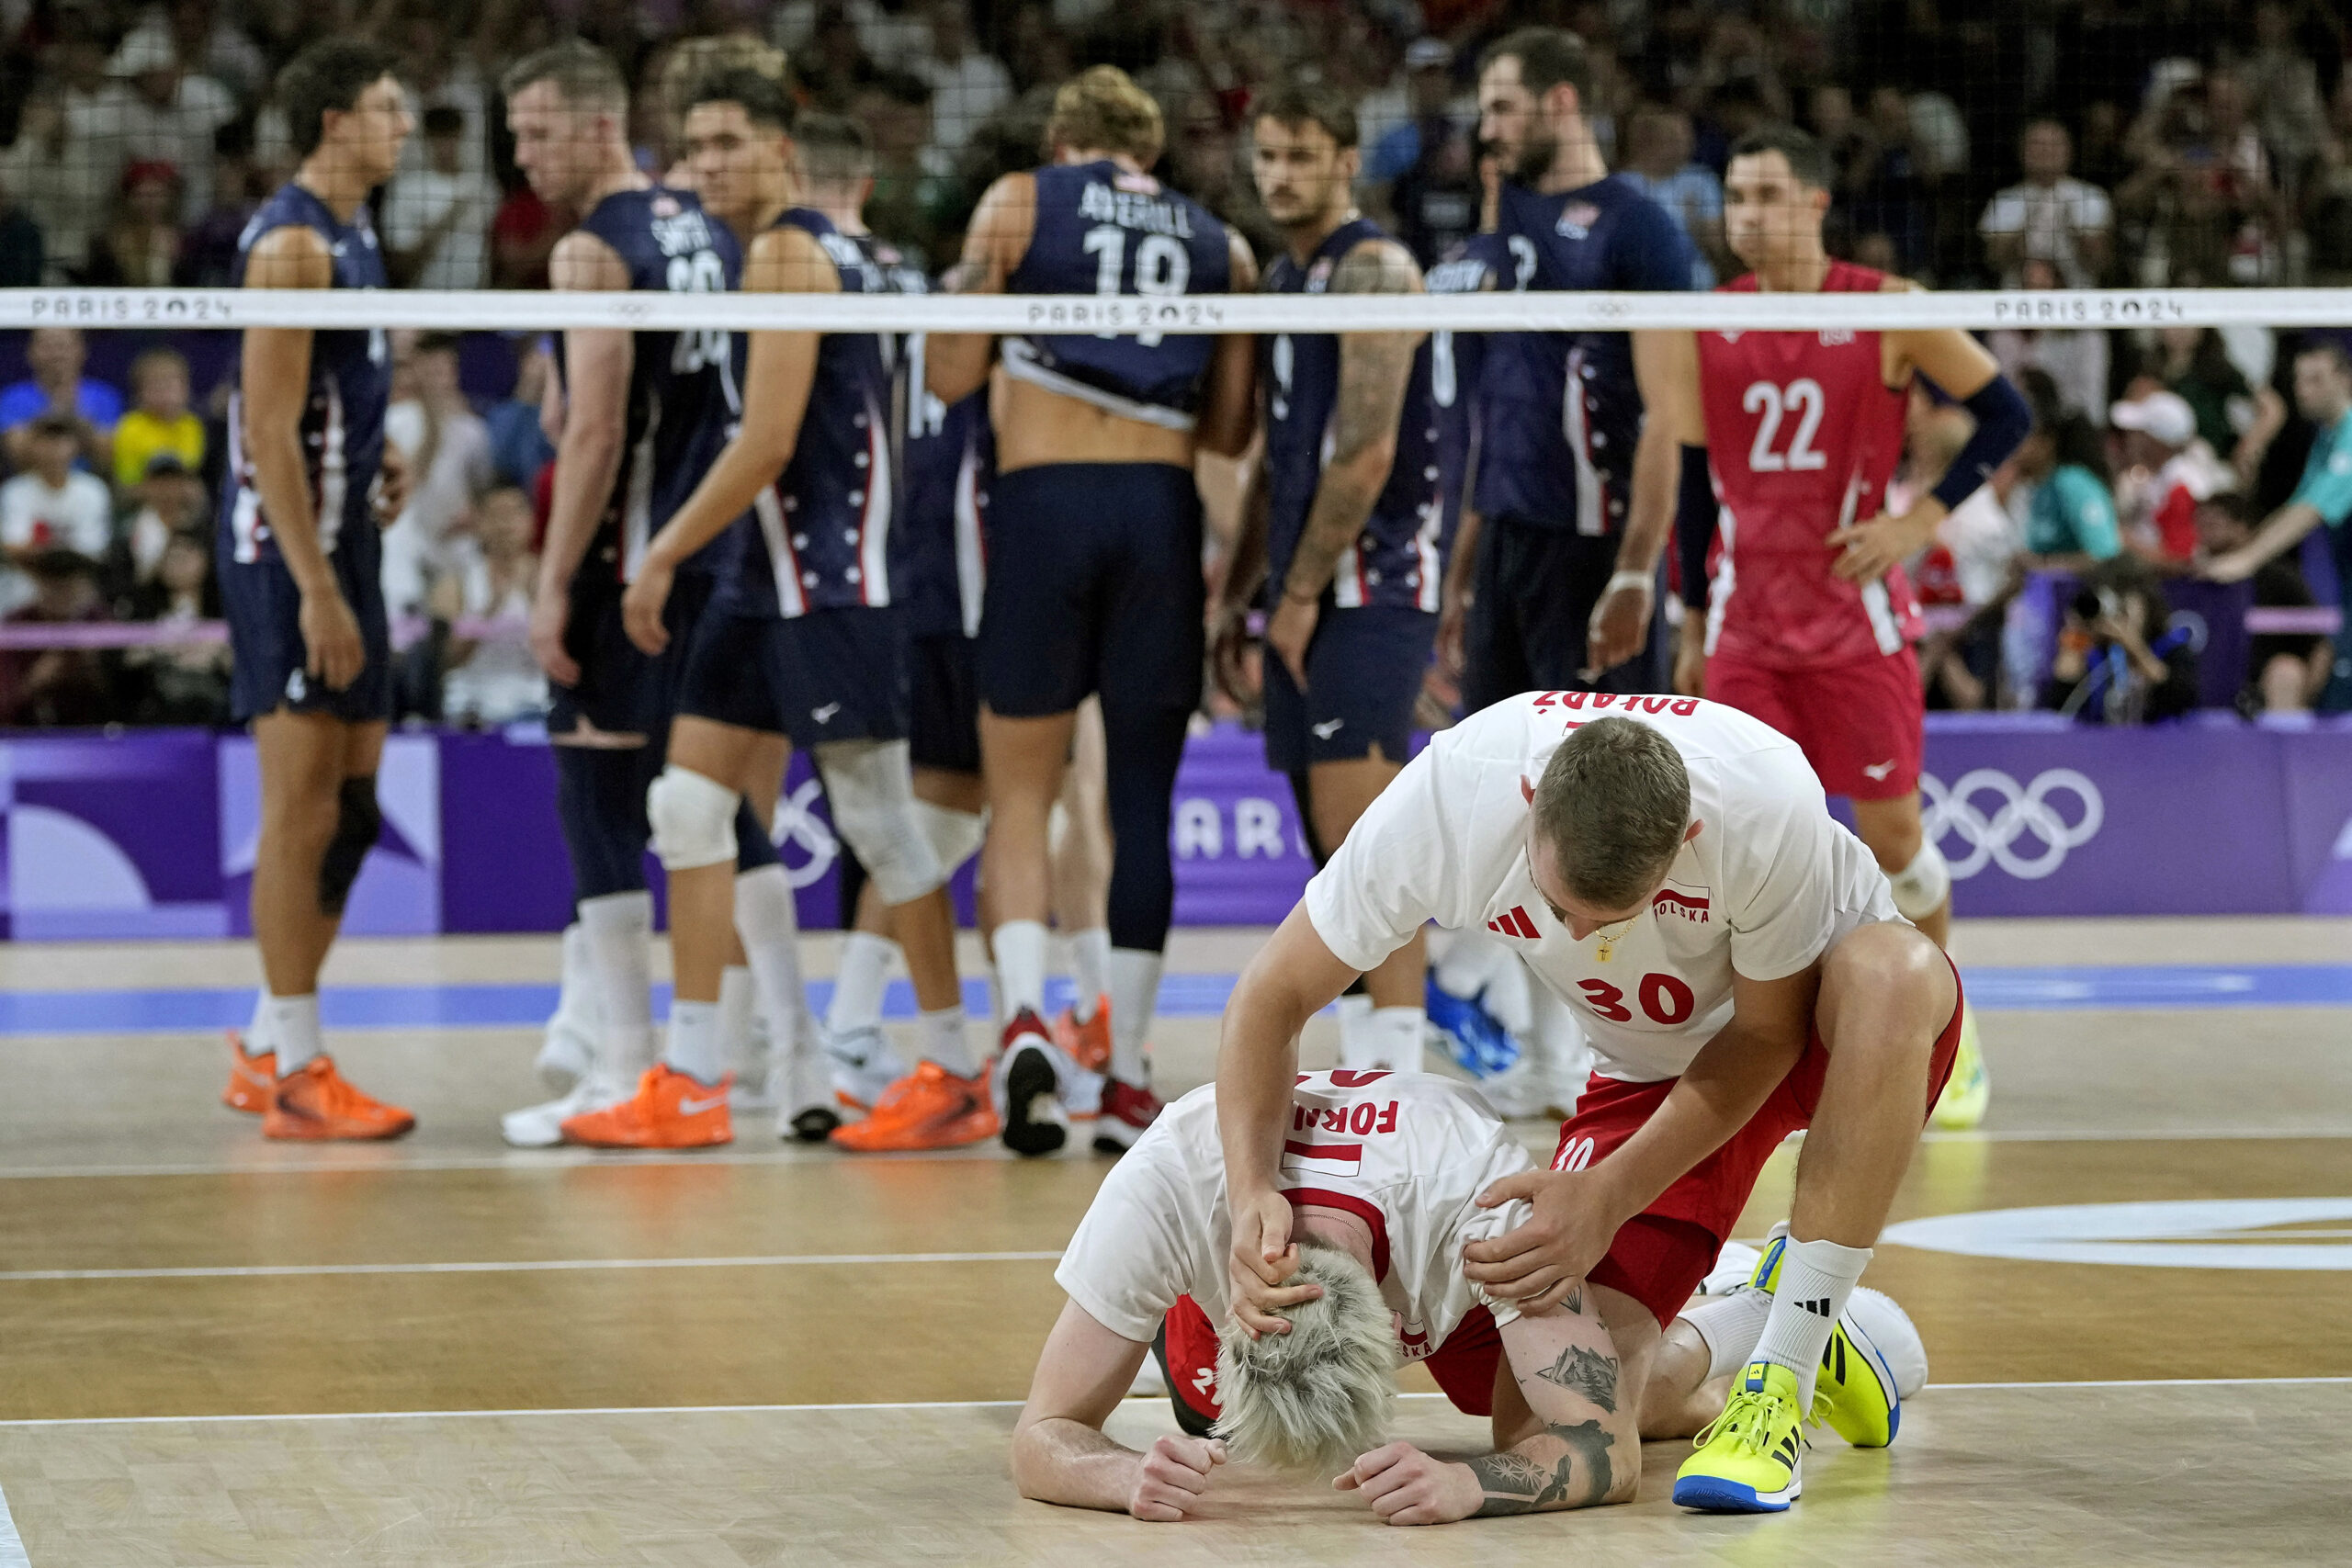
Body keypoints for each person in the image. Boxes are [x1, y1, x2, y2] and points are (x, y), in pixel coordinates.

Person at [1215, 701, 1964, 1515]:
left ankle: (1782, 1374)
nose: (1578, 933)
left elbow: (1766, 1035)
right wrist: (1253, 1188)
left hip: (1828, 1035)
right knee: (1551, 1419)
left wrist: (1609, 1193)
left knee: (1893, 971)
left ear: (1687, 839)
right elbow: (1271, 994)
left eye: (1612, 919)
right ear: (1530, 797)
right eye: (1560, 904)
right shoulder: (1450, 795)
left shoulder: (1760, 788)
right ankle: (1754, 1320)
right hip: (1647, 1075)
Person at [1018, 1069, 1929, 1522]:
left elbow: (1603, 1456)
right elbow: (1041, 1435)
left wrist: (1470, 1484)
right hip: (1258, 1238)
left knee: (1562, 1406)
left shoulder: (1475, 1205)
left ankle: (1761, 1308)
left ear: (1395, 1336)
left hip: (1437, 1217)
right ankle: (1764, 1323)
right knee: (1202, 1422)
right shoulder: (1165, 1184)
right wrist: (1114, 1474)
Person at [609, 85, 967, 1148]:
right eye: (693, 145)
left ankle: (951, 1067)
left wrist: (657, 553)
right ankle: (692, 1076)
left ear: (779, 151)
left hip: (825, 588)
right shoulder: (849, 258)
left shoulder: (785, 255)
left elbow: (765, 442)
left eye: (726, 142)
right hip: (759, 586)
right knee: (685, 808)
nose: (705, 162)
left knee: (880, 827)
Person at [1662, 126, 2027, 1133]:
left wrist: (1919, 517)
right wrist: (1692, 616)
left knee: (1895, 838)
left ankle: (1948, 1036)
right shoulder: (1701, 318)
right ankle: (1768, 1063)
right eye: (1735, 196)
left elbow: (2007, 415)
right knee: (1742, 852)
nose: (1748, 215)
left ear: (1816, 203)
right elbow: (1693, 491)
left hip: (1856, 619)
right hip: (1745, 622)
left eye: (1769, 194)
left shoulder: (1888, 309)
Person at [925, 64, 1257, 1156]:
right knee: (1140, 800)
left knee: (1020, 793)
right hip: (1157, 515)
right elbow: (1227, 430)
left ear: (1065, 138)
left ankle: (1024, 1017)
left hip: (1042, 505)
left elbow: (947, 371)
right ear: (1148, 152)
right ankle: (1122, 1073)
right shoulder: (1221, 243)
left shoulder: (1021, 200)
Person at [493, 41, 778, 1151]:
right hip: (727, 554)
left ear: (600, 126)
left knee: (599, 795)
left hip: (640, 559)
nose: (523, 159)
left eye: (538, 133)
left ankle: (625, 1068)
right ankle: (755, 1055)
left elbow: (597, 430)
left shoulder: (590, 249)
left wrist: (556, 582)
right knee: (713, 808)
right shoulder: (705, 224)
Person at [211, 39, 416, 1140]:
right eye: (387, 109)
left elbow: (327, 404)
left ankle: (262, 1038)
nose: (404, 127)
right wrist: (314, 592)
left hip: (347, 544)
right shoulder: (293, 242)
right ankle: (295, 1067)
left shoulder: (353, 232)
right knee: (297, 813)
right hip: (288, 559)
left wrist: (375, 454)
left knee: (352, 812)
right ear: (334, 120)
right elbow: (265, 427)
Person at [1220, 80, 1438, 1076]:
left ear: (1347, 159)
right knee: (1332, 846)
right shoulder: (1282, 274)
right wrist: (1243, 589)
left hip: (1378, 582)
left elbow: (1364, 452)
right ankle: (1376, 1064)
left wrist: (1299, 596)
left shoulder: (1376, 266)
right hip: (1306, 586)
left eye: (1301, 156)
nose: (1279, 175)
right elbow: (1279, 453)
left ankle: (1397, 1083)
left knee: (1364, 840)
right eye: (1266, 156)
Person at [2205, 340, 2352, 615]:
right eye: (2299, 379)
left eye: (2316, 379)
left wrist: (2246, 559)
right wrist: (2243, 548)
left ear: (2345, 379)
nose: (2302, 390)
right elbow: (2298, 504)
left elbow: (2311, 509)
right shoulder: (2326, 437)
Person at [2196, 490, 2331, 714]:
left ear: (2243, 528)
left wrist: (2305, 698)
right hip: (2207, 693)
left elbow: (2320, 647)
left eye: (2216, 520)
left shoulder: (2278, 579)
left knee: (2285, 671)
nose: (2207, 528)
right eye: (2201, 520)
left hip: (2266, 695)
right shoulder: (2192, 580)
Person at [2040, 555, 2199, 723]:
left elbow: (2181, 700)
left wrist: (2136, 649)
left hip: (2161, 745)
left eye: (2122, 604)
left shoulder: (2171, 646)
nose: (2116, 616)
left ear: (2146, 602)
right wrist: (2075, 638)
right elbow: (2061, 708)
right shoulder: (2094, 654)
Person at [0, 413, 114, 617]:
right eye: (46, 440)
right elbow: (12, 547)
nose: (54, 448)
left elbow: (92, 551)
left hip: (78, 583)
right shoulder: (15, 491)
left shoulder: (92, 490)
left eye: (61, 440)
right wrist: (53, 557)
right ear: (32, 446)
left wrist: (41, 550)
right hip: (27, 583)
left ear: (75, 446)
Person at [1978, 118, 2113, 288]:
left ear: (2070, 150)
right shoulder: (2006, 201)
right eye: (2037, 144)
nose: (2045, 151)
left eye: (2054, 144)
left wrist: (2071, 225)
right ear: (2021, 151)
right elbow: (1995, 261)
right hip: (2017, 301)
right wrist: (2029, 220)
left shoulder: (2092, 197)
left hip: (2079, 299)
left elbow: (2100, 262)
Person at [382, 105, 496, 290]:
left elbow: (500, 255)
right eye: (439, 138)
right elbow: (399, 266)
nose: (446, 146)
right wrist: (449, 217)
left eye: (452, 137)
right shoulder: (406, 190)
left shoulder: (484, 187)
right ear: (427, 139)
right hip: (424, 301)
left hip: (478, 302)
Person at [0, 328, 120, 474]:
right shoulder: (13, 397)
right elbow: (17, 454)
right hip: (31, 482)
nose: (56, 354)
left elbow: (107, 455)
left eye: (63, 346)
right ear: (30, 352)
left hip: (89, 482)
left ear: (81, 351)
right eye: (47, 346)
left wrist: (74, 415)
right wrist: (53, 412)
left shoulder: (104, 396)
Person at [110, 347, 206, 495]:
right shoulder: (130, 426)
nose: (163, 393)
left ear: (186, 389)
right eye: (155, 386)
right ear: (139, 393)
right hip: (140, 495)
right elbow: (127, 480)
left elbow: (189, 469)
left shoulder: (191, 425)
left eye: (170, 385)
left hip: (179, 494)